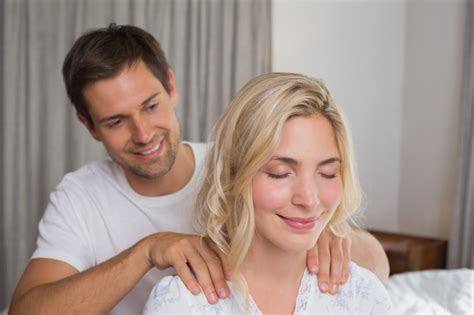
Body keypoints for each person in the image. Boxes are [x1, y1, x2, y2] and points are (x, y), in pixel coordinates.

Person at [9, 24, 388, 315]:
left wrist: (332, 236)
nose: (143, 133)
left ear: (171, 86)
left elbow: (373, 270)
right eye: (115, 122)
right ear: (87, 124)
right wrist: (147, 251)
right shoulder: (81, 197)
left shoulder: (239, 162)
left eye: (151, 105)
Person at [144, 73, 392, 314]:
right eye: (280, 173)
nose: (308, 199)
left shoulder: (363, 296)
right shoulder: (180, 304)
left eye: (328, 173)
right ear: (234, 175)